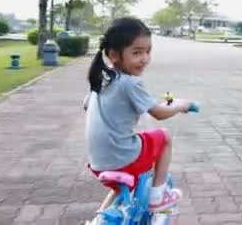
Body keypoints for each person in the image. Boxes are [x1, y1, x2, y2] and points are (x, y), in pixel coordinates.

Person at [83, 17, 193, 213]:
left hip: (98, 162)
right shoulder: (130, 83)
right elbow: (159, 113)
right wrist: (181, 105)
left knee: (120, 189)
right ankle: (157, 197)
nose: (144, 59)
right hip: (123, 158)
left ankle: (98, 219)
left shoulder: (103, 80)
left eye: (147, 52)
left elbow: (87, 105)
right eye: (137, 53)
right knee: (164, 136)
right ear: (114, 55)